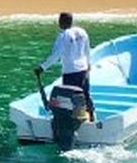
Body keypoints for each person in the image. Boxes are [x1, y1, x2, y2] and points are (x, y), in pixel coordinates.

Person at [35, 12, 95, 151]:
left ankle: (71, 126)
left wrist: (42, 67)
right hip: (83, 69)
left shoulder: (63, 36)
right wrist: (89, 64)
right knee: (85, 94)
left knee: (70, 99)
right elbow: (87, 50)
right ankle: (91, 118)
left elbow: (56, 55)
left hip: (71, 72)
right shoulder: (82, 32)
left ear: (61, 22)